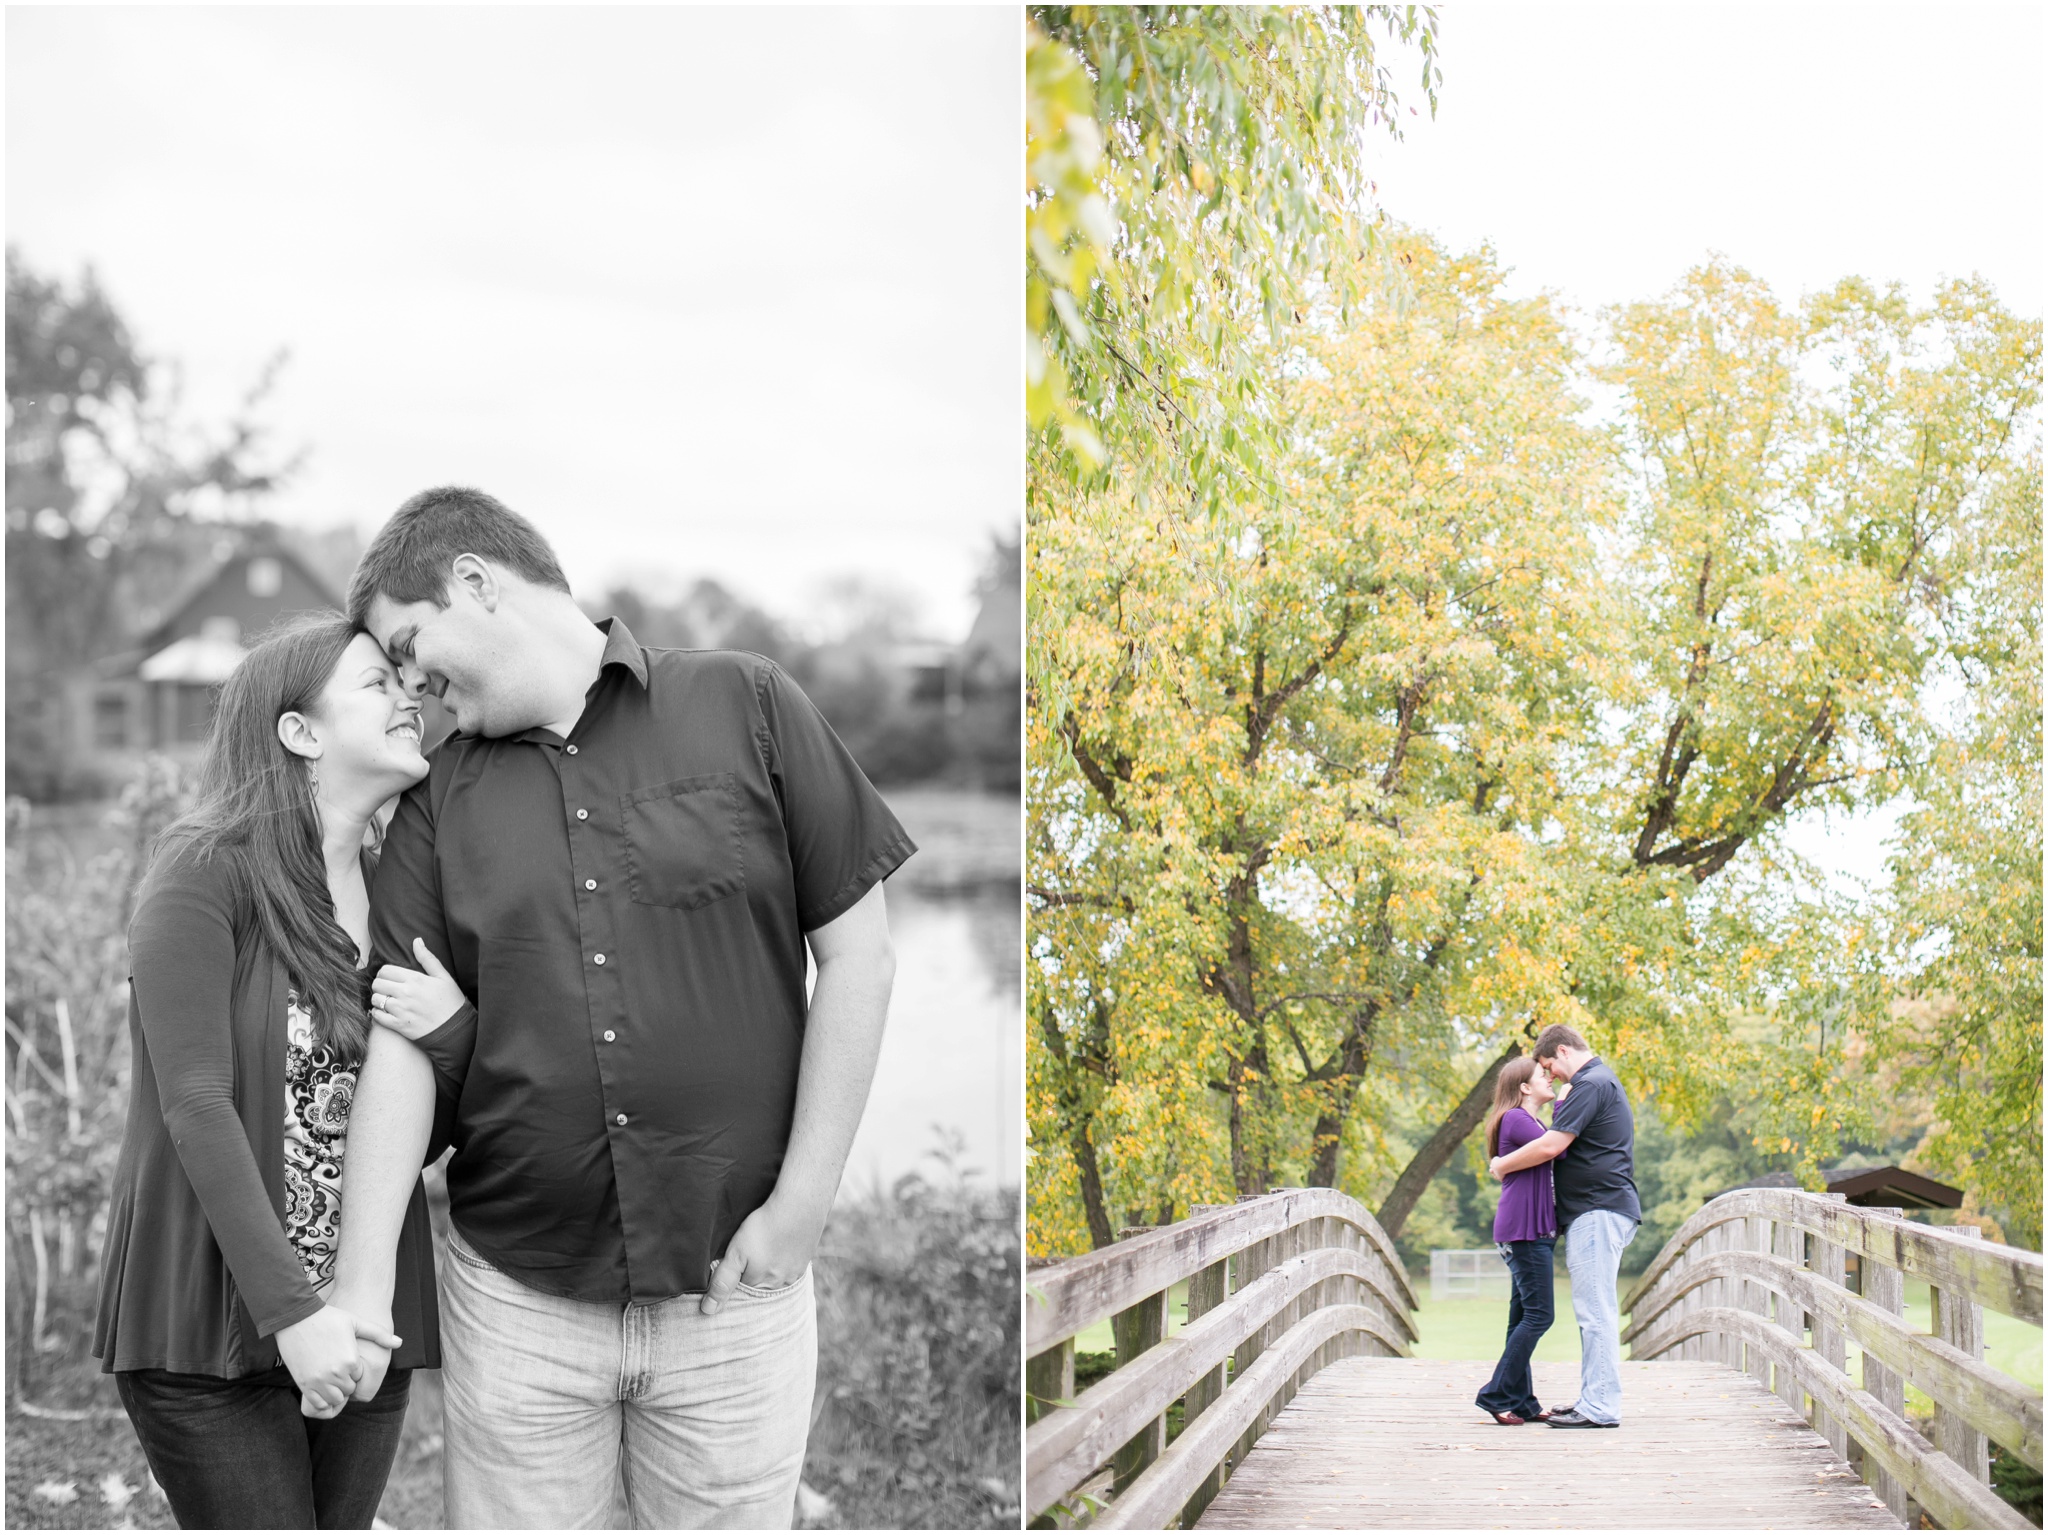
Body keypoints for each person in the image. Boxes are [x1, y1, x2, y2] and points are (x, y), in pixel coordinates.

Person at [323, 486, 913, 1529]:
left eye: (411, 645)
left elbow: (857, 954)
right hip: (516, 1303)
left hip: (734, 1294)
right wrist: (362, 1289)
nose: (413, 683)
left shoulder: (750, 703)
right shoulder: (435, 796)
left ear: (475, 581)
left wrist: (803, 1206)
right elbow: (401, 1050)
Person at [92, 614, 453, 1529]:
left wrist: (456, 1031)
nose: (407, 698)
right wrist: (296, 1314)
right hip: (213, 1331)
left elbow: (427, 1125)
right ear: (300, 731)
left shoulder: (409, 890)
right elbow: (196, 1102)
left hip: (365, 1326)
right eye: (377, 684)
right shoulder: (205, 867)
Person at [1487, 1023, 1641, 1428]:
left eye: (1548, 1066)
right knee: (1593, 1311)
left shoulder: (1591, 1083)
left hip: (1597, 1209)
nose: (1550, 1075)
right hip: (1598, 1210)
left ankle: (1600, 1408)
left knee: (1596, 1313)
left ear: (1561, 1051)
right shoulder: (1596, 1082)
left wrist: (1501, 1165)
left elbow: (1553, 1144)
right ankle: (1592, 1401)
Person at [1474, 1056, 1560, 1425]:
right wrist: (1571, 1100)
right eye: (1544, 1075)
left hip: (1528, 1230)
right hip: (1524, 1231)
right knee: (1541, 1314)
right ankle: (1495, 1394)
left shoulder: (1531, 1121)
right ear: (1524, 1087)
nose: (1550, 1079)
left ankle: (1523, 1401)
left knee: (1522, 1316)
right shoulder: (1517, 1120)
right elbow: (1559, 1147)